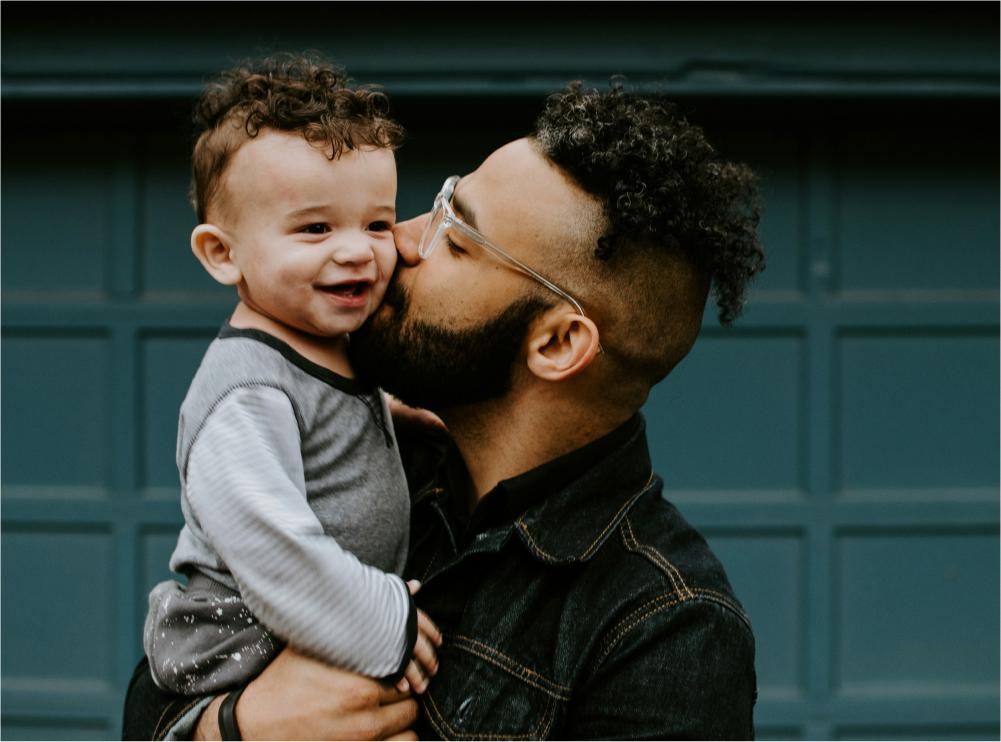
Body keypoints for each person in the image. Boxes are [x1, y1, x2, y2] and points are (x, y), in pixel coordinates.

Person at [124, 77, 765, 740]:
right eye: (435, 209)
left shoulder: (665, 627)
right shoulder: (365, 456)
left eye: (455, 240)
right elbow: (162, 681)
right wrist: (232, 729)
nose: (394, 242)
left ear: (557, 341)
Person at [141, 53, 440, 705]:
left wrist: (390, 416)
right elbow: (272, 546)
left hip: (309, 625)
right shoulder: (246, 393)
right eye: (315, 228)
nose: (357, 249)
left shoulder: (327, 344)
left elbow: (323, 419)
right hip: (238, 642)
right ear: (223, 254)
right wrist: (382, 623)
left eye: (377, 224)